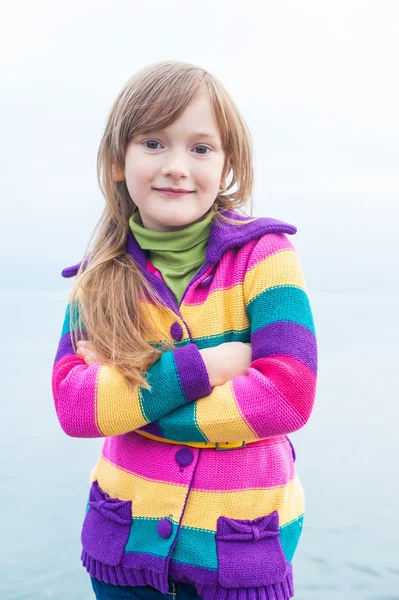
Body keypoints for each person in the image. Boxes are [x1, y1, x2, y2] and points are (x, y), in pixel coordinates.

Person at [51, 60, 318, 600]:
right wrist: (209, 366)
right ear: (117, 161)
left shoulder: (266, 259)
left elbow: (287, 397)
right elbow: (75, 408)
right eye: (153, 142)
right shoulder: (97, 279)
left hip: (238, 553)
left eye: (200, 148)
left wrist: (133, 403)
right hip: (121, 552)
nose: (176, 166)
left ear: (228, 165)